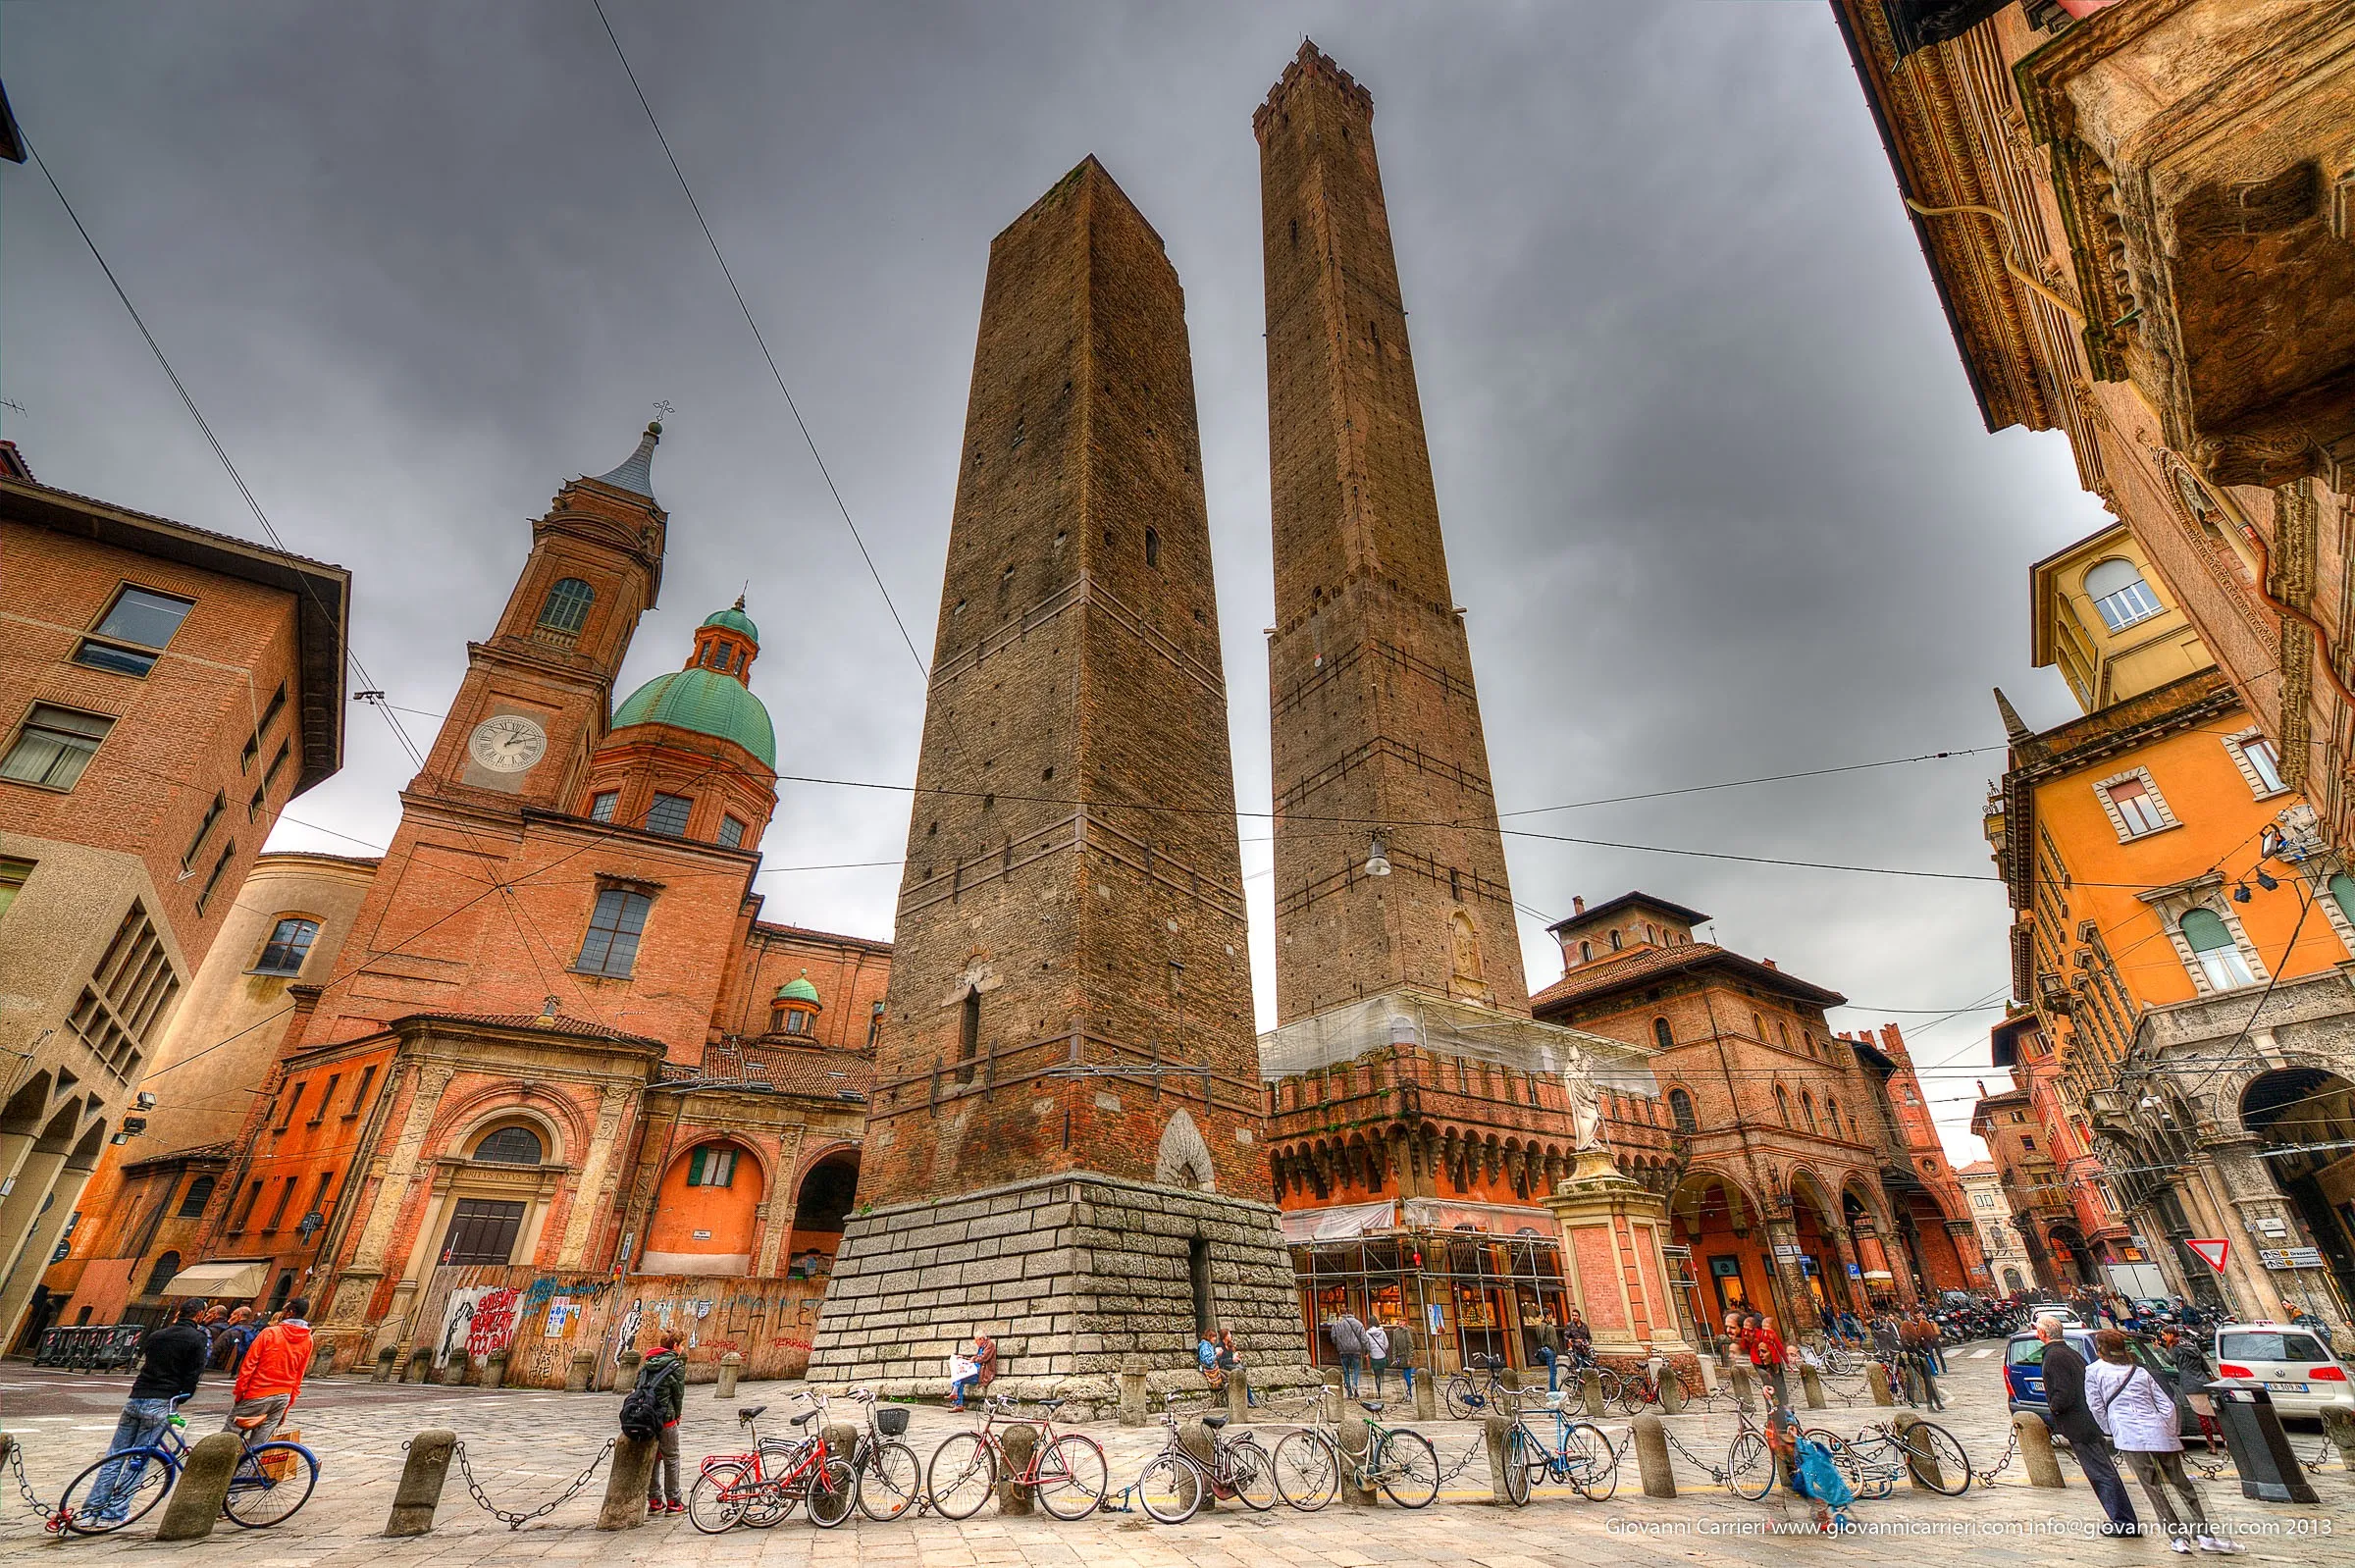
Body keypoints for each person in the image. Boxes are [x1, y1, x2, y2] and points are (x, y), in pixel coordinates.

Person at [2085, 1329, 2241, 1555]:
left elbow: (2096, 1406)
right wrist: (2168, 1429)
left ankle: (2178, 1538)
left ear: (2101, 1350)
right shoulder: (2139, 1372)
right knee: (2182, 1484)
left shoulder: (2093, 1371)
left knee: (2153, 1488)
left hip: (2128, 1437)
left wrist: (2112, 1429)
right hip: (2159, 1433)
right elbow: (2167, 1406)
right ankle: (2205, 1534)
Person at [81, 1299, 209, 1523]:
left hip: (136, 1397)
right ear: (199, 1315)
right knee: (138, 1460)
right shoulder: (197, 1338)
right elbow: (193, 1373)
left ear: (179, 1313)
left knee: (114, 1456)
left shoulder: (157, 1335)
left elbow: (147, 1361)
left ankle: (91, 1510)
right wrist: (183, 1397)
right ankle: (114, 1513)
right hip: (161, 1400)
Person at [2037, 1315, 2139, 1538]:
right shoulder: (2071, 1353)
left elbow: (2063, 1392)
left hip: (2078, 1424)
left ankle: (2123, 1522)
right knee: (2105, 1472)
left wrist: (2054, 1408)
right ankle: (2123, 1519)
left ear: (2042, 1334)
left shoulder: (2054, 1357)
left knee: (2101, 1474)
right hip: (2088, 1421)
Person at [223, 1295, 311, 1444]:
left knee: (225, 1442)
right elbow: (299, 1374)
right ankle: (248, 1468)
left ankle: (221, 1467)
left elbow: (249, 1365)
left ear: (289, 1313)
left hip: (257, 1392)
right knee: (258, 1446)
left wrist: (240, 1393)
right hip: (283, 1396)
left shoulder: (270, 1333)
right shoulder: (307, 1339)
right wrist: (288, 1404)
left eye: (284, 1310)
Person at [634, 1330, 688, 1516]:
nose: (682, 1348)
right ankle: (674, 1501)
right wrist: (677, 1415)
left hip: (647, 1419)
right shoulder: (676, 1365)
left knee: (653, 1458)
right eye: (681, 1345)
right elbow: (678, 1395)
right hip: (666, 1419)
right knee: (671, 1458)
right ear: (674, 1346)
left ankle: (655, 1501)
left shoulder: (647, 1365)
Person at [2160, 1327, 2221, 1454]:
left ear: (2171, 1334)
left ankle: (2212, 1445)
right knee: (2214, 1416)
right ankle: (2226, 1442)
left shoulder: (2175, 1347)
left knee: (2202, 1416)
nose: (2163, 1338)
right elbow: (2203, 1363)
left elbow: (2171, 1362)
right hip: (2203, 1381)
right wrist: (2209, 1375)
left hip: (2190, 1384)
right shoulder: (2190, 1344)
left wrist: (2159, 1351)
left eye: (2164, 1335)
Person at [1750, 1313, 1791, 1412]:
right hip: (1772, 1360)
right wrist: (1787, 1361)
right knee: (1778, 1382)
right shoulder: (1769, 1332)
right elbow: (1779, 1347)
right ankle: (1782, 1402)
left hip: (1757, 1361)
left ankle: (1771, 1406)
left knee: (1766, 1384)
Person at [1328, 1310, 1368, 1399]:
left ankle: (1349, 1391)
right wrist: (1366, 1349)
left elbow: (1333, 1337)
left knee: (1346, 1371)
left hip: (1343, 1350)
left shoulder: (1337, 1324)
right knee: (1356, 1369)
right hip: (1356, 1350)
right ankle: (1355, 1384)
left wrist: (1338, 1344)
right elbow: (1364, 1338)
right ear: (1353, 1314)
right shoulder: (1359, 1324)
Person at [1383, 1314, 1421, 1400]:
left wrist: (1410, 1358)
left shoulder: (1407, 1331)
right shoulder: (1396, 1332)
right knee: (1403, 1375)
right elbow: (1395, 1346)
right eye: (1399, 1321)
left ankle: (1409, 1393)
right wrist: (1394, 1358)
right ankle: (1406, 1392)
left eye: (1402, 1321)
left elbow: (1410, 1346)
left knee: (1407, 1375)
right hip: (1400, 1356)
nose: (1400, 1323)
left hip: (1406, 1356)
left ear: (1405, 1322)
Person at [1532, 1313, 1564, 1393]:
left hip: (1543, 1349)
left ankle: (1553, 1388)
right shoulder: (1550, 1327)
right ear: (1548, 1315)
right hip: (1550, 1350)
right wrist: (1557, 1353)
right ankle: (1553, 1389)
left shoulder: (1539, 1326)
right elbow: (1554, 1342)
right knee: (1553, 1371)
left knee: (1551, 1370)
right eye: (1550, 1315)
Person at [1365, 1318, 1390, 1398]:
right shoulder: (1382, 1332)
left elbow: (1367, 1346)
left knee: (1376, 1375)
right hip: (1382, 1355)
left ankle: (1378, 1390)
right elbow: (1386, 1344)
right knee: (1381, 1373)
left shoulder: (1367, 1333)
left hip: (1374, 1356)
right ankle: (1381, 1388)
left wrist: (1370, 1351)